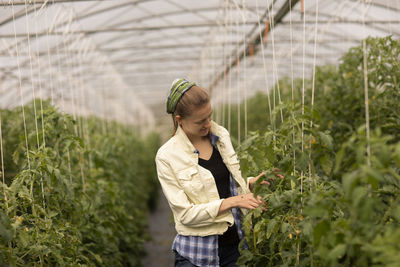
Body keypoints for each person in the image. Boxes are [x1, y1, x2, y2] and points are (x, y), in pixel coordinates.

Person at [155, 78, 267, 267]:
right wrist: (232, 202)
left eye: (209, 116)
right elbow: (185, 215)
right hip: (196, 256)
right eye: (200, 121)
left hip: (235, 249)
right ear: (179, 120)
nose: (208, 124)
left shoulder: (220, 135)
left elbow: (224, 185)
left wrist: (249, 184)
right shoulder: (167, 156)